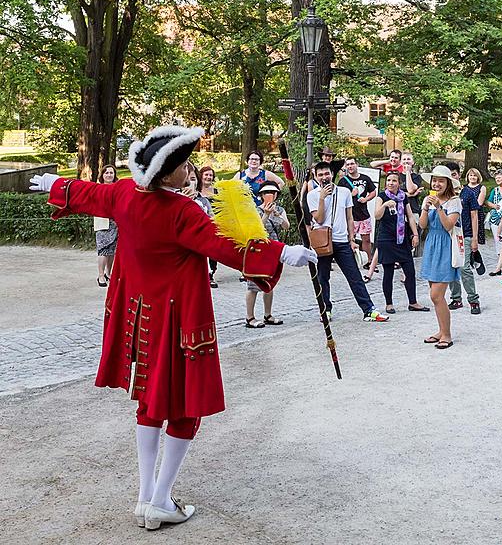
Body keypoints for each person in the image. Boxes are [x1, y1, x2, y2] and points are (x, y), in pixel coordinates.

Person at [29, 125, 316, 530]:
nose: (191, 171)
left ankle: (146, 495)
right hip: (180, 323)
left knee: (149, 405)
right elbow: (223, 247)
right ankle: (160, 500)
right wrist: (284, 251)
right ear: (166, 175)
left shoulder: (125, 194)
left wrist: (56, 184)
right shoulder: (180, 211)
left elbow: (88, 193)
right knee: (185, 410)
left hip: (141, 323)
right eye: (184, 166)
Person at [307, 162, 390, 322]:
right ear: (316, 177)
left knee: (354, 276)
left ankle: (368, 310)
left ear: (332, 174)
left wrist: (352, 240)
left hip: (342, 241)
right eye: (321, 175)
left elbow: (349, 217)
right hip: (323, 242)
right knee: (323, 278)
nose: (324, 177)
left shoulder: (344, 192)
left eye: (327, 174)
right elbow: (319, 219)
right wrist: (322, 198)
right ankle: (326, 310)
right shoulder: (312, 195)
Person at [419, 165, 463, 349]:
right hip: (431, 246)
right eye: (434, 180)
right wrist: (425, 207)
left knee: (436, 295)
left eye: (441, 180)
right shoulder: (430, 199)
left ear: (448, 183)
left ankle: (447, 334)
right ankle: (441, 330)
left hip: (446, 247)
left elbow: (448, 226)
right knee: (436, 297)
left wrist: (438, 208)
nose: (437, 184)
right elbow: (422, 225)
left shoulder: (454, 202)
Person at [373, 172, 429, 314]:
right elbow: (377, 216)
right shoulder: (382, 196)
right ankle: (389, 304)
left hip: (402, 238)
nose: (390, 183)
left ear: (399, 183)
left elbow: (409, 216)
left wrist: (415, 234)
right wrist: (385, 205)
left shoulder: (403, 197)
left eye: (394, 181)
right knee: (389, 272)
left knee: (410, 271)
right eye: (388, 180)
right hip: (386, 238)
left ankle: (413, 302)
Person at [245, 182, 289, 328]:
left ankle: (268, 314)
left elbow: (286, 226)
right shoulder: (255, 210)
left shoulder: (280, 209)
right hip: (257, 249)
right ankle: (249, 317)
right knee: (253, 284)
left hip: (273, 249)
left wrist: (276, 214)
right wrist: (266, 214)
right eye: (266, 192)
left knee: (270, 283)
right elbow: (255, 230)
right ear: (261, 195)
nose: (270, 195)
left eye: (273, 192)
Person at [449, 167, 484, 314]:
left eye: (455, 175)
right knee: (451, 267)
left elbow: (474, 215)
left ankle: (473, 300)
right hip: (449, 235)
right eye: (450, 176)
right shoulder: (445, 195)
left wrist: (475, 238)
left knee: (464, 268)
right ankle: (456, 298)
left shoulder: (467, 193)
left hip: (466, 234)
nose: (453, 178)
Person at [343, 157, 378, 261]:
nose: (350, 166)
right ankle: (349, 261)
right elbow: (339, 197)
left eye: (352, 164)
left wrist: (366, 199)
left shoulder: (365, 178)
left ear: (356, 164)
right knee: (350, 239)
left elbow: (373, 192)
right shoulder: (343, 181)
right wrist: (351, 194)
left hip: (363, 214)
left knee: (366, 239)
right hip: (350, 216)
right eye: (348, 164)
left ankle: (369, 260)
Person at [94, 164, 119, 287]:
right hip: (103, 222)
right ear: (102, 175)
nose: (109, 175)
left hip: (116, 222)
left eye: (111, 173)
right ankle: (100, 275)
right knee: (103, 249)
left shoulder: (117, 188)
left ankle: (108, 273)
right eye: (106, 173)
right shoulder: (98, 188)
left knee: (111, 250)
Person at [486, 169, 502, 276]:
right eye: (496, 178)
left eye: (499, 177)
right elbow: (488, 201)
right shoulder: (494, 190)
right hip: (496, 218)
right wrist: (493, 206)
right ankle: (500, 260)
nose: (497, 179)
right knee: (498, 239)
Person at [198, 166, 219, 287]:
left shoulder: (217, 192)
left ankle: (211, 274)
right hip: (200, 225)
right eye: (206, 175)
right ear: (201, 176)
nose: (208, 177)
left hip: (214, 225)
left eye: (210, 175)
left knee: (213, 251)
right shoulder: (196, 191)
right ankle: (204, 274)